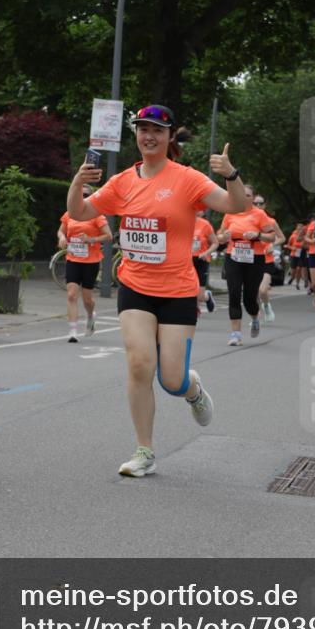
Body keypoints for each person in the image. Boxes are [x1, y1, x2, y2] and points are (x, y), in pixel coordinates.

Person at [66, 103, 246, 478]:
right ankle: (144, 451)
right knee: (138, 363)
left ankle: (193, 390)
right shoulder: (123, 182)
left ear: (169, 136)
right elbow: (80, 213)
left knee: (171, 379)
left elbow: (236, 205)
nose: (149, 136)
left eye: (157, 130)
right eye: (143, 129)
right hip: (135, 286)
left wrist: (231, 174)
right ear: (136, 134)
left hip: (178, 290)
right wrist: (78, 182)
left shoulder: (187, 179)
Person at [217, 185, 276, 345]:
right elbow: (219, 235)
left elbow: (272, 237)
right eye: (242, 194)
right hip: (233, 256)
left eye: (248, 195)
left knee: (250, 298)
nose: (244, 197)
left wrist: (257, 235)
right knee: (234, 293)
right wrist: (224, 236)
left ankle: (255, 318)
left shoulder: (260, 215)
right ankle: (235, 334)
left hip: (254, 259)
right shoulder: (230, 213)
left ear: (253, 197)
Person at [57, 186, 112, 342]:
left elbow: (108, 236)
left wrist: (91, 239)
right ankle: (73, 332)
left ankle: (90, 315)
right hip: (73, 259)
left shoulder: (96, 216)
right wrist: (61, 237)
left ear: (91, 196)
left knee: (87, 299)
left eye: (86, 194)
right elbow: (61, 230)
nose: (83, 197)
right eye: (80, 194)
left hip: (91, 261)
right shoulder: (69, 214)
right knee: (71, 294)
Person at [252, 195, 285, 322]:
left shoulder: (271, 222)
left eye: (261, 204)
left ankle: (266, 305)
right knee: (254, 291)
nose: (258, 206)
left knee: (262, 290)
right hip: (253, 259)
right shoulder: (248, 220)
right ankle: (256, 317)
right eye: (255, 204)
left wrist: (272, 244)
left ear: (265, 205)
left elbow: (282, 238)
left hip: (267, 260)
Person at [192, 210, 219, 314]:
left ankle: (207, 296)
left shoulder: (205, 224)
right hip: (186, 261)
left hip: (201, 260)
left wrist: (206, 253)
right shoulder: (183, 222)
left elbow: (215, 243)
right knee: (187, 289)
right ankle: (194, 310)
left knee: (200, 296)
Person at [286, 222, 307, 290]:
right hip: (293, 255)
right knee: (293, 271)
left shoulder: (305, 237)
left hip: (301, 255)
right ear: (297, 229)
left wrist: (304, 247)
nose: (300, 230)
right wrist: (292, 248)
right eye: (299, 229)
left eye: (301, 229)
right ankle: (292, 278)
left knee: (299, 269)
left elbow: (307, 245)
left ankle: (297, 283)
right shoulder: (293, 236)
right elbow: (287, 245)